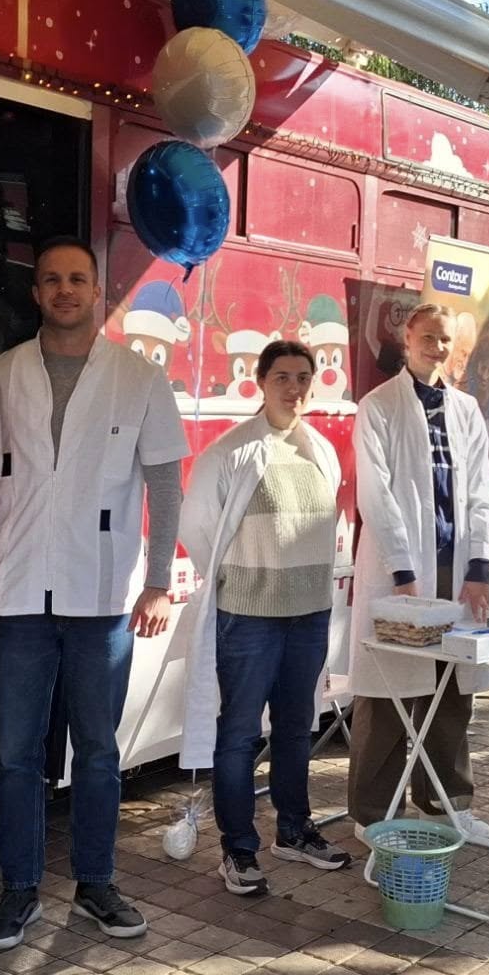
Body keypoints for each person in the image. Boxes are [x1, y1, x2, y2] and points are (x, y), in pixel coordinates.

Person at [0, 238, 188, 951]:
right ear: (35, 293)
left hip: (102, 593)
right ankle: (19, 889)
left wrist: (158, 581)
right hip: (17, 592)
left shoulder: (138, 377)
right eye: (51, 279)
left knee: (96, 750)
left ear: (97, 292)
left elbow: (165, 485)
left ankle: (96, 883)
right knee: (16, 755)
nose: (64, 290)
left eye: (78, 279)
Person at [179, 339, 350, 896]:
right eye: (282, 377)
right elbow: (197, 529)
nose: (294, 388)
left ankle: (294, 831)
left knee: (298, 729)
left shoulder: (320, 450)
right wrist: (239, 582)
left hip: (309, 615)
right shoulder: (231, 452)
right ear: (261, 382)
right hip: (250, 617)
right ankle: (238, 849)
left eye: (303, 378)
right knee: (239, 735)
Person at [345, 304, 489, 843]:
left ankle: (444, 805)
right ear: (406, 338)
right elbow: (375, 492)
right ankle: (374, 814)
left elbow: (480, 490)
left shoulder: (466, 409)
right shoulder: (378, 406)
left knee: (452, 692)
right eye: (428, 337)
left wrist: (479, 565)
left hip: (455, 571)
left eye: (445, 339)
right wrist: (403, 570)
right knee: (389, 694)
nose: (437, 347)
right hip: (402, 571)